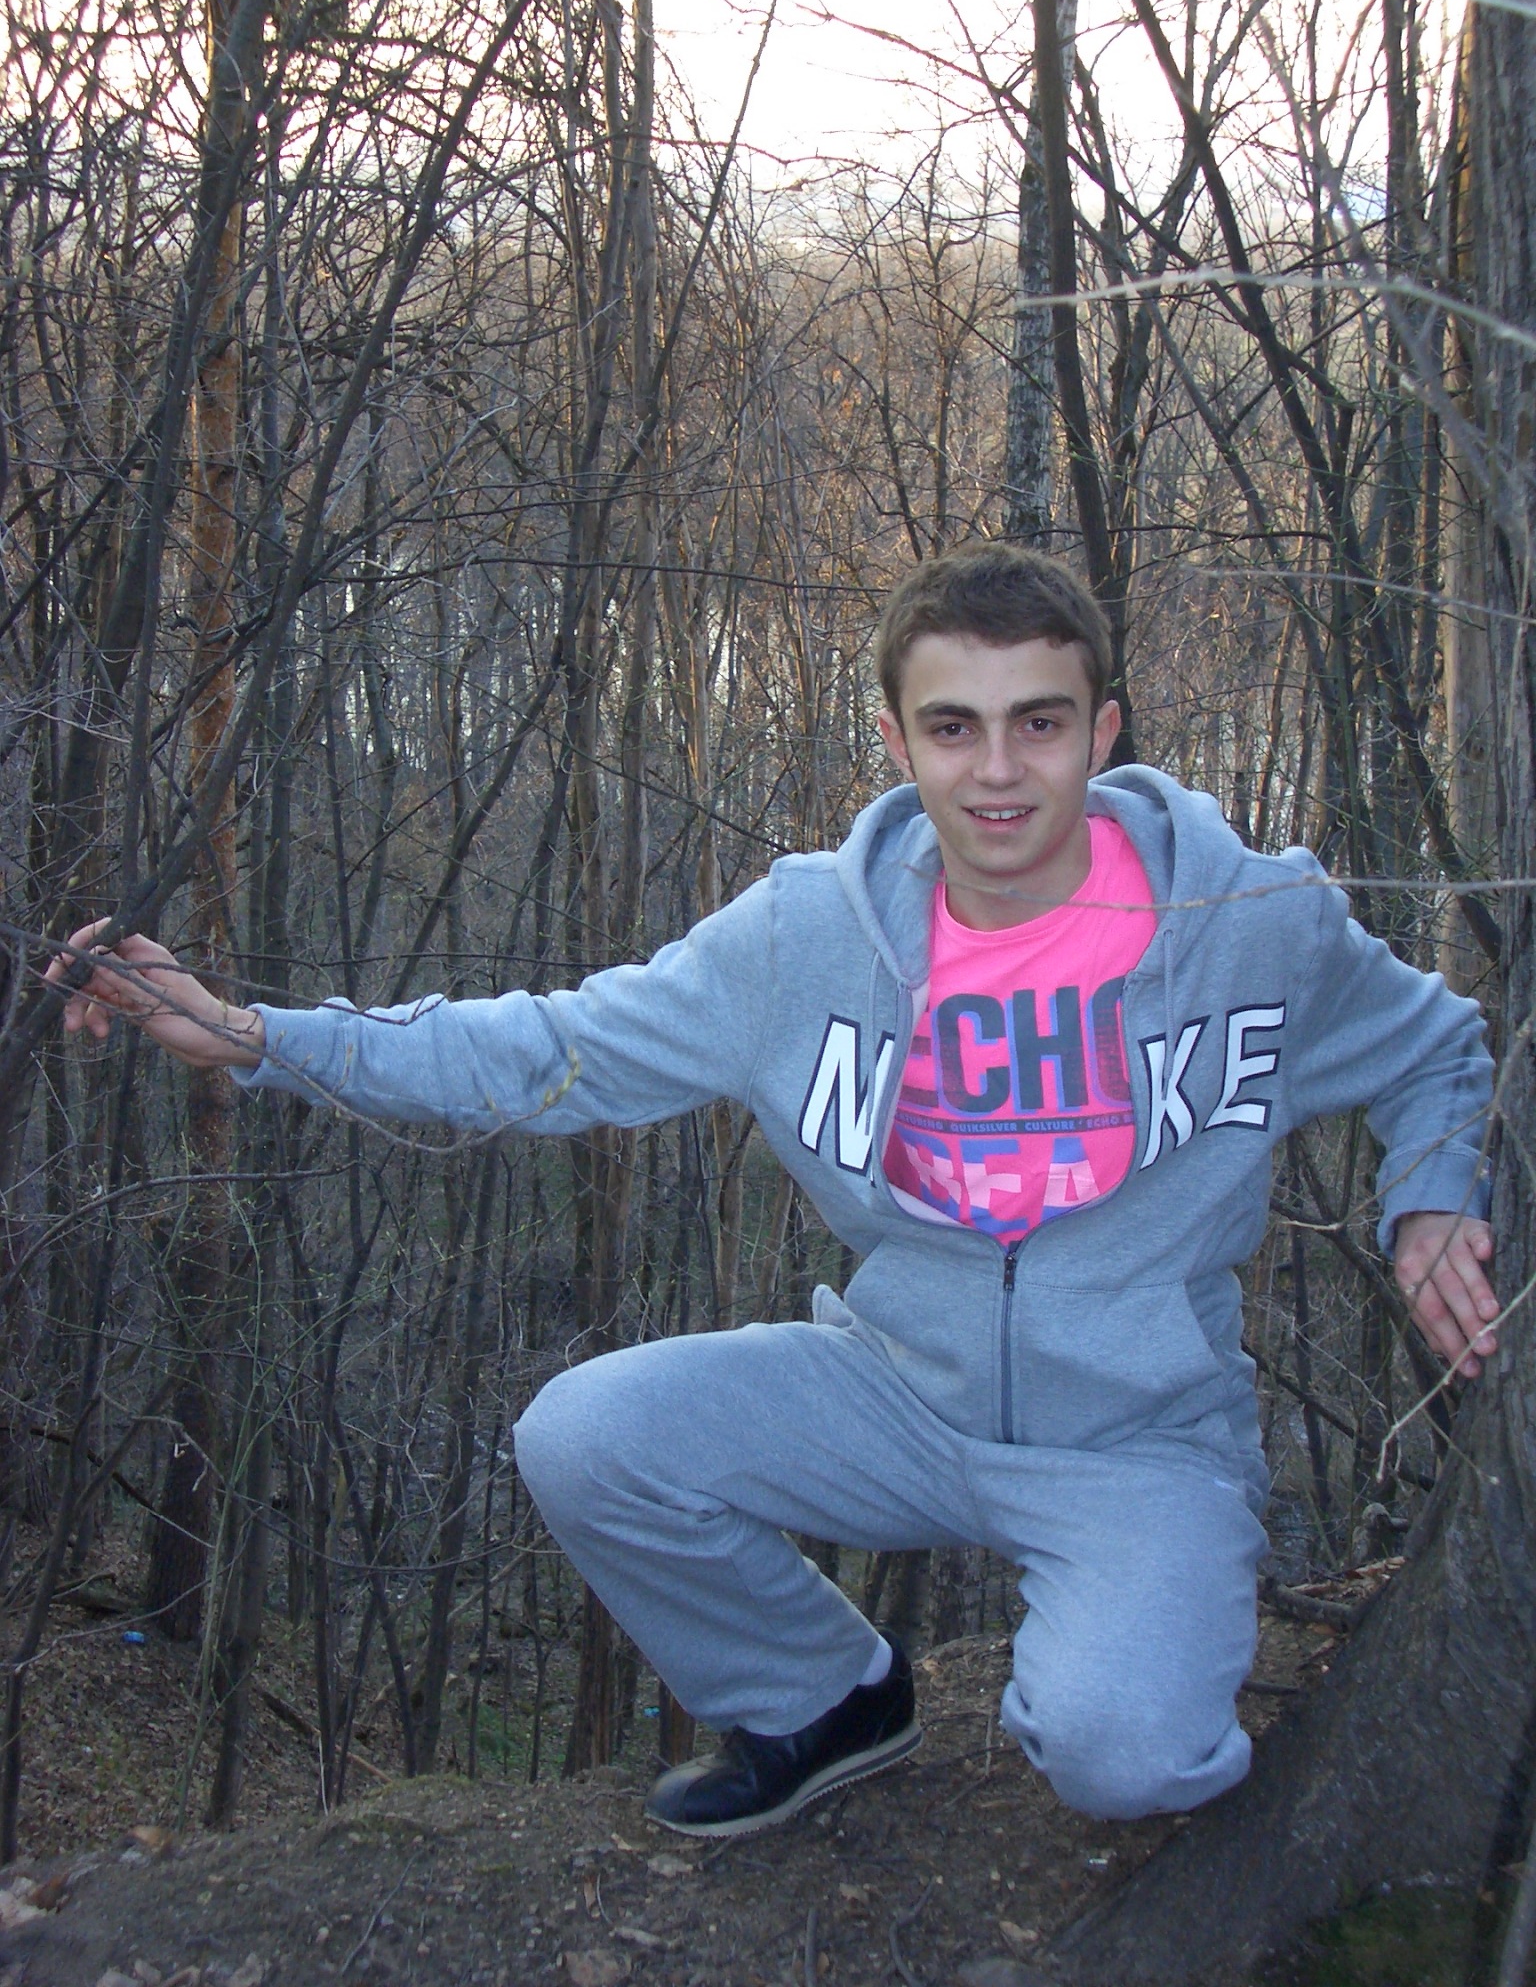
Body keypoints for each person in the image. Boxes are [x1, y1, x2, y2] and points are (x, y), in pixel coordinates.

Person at [48, 543, 1497, 1840]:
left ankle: (1133, 1675)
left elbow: (1436, 1044)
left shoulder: (1251, 923)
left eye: (1040, 723)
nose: (999, 770)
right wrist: (260, 1039)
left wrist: (1432, 1193)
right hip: (898, 1393)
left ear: (1102, 733)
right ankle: (824, 1704)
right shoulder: (808, 939)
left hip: (1142, 1440)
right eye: (955, 726)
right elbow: (549, 1049)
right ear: (898, 743)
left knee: (1124, 1755)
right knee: (590, 1436)